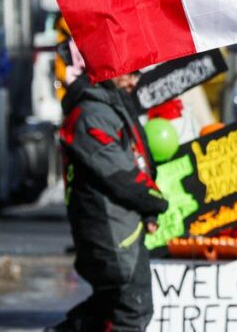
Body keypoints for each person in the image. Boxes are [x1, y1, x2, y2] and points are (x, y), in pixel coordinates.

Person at [51, 63, 169, 332]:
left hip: (121, 228)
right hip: (110, 233)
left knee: (111, 308)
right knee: (130, 311)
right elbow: (121, 175)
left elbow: (137, 160)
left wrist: (149, 208)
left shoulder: (109, 104)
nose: (134, 81)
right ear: (110, 70)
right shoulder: (92, 113)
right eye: (131, 72)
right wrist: (155, 201)